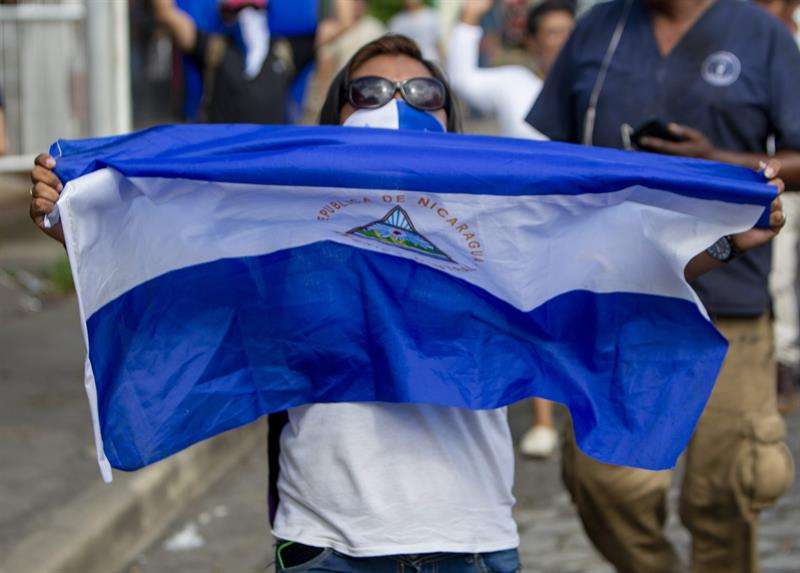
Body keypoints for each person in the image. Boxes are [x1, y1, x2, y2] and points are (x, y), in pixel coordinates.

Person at [29, 34, 785, 573]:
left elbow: (616, 261)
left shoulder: (510, 230)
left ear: (452, 121)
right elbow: (172, 264)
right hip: (327, 543)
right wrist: (80, 216)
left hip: (472, 541)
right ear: (337, 116)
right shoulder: (276, 230)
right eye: (372, 91)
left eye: (424, 93)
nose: (399, 103)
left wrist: (723, 236)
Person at [526, 0, 800, 570]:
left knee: (730, 486)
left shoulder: (758, 33)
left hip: (730, 301)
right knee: (606, 482)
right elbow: (553, 158)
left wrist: (717, 163)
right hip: (616, 299)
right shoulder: (600, 28)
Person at [447, 0, 575, 457]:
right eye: (552, 33)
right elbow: (460, 79)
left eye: (568, 31)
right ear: (536, 41)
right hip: (524, 228)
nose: (560, 42)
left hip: (583, 225)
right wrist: (468, 19)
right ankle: (544, 421)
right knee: (533, 318)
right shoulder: (513, 86)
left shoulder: (595, 87)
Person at [153, 0, 355, 124]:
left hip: (269, 162)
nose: (247, 16)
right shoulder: (213, 48)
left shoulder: (285, 52)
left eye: (254, 8)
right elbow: (166, 13)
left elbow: (343, 22)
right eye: (236, 10)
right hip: (220, 159)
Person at [756, 0, 800, 412]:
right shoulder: (745, 28)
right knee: (779, 271)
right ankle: (783, 362)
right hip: (768, 175)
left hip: (790, 166)